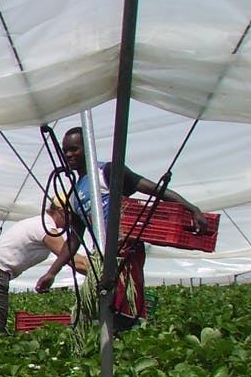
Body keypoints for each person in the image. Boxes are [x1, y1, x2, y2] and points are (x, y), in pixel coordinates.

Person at [60, 127, 208, 330]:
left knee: (122, 307)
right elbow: (74, 240)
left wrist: (191, 208)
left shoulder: (107, 172)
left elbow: (153, 189)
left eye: (74, 149)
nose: (68, 155)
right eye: (65, 150)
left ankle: (127, 336)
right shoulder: (75, 194)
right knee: (93, 306)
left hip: (125, 249)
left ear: (88, 148)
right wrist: (52, 272)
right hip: (101, 255)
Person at [0, 196, 91, 334]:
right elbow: (73, 260)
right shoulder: (45, 229)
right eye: (72, 217)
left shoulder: (40, 223)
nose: (73, 223)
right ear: (61, 212)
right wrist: (100, 270)